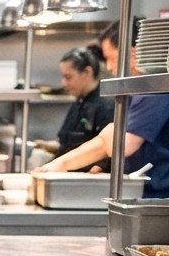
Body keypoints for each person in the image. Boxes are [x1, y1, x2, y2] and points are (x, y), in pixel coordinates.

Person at [41, 19, 169, 197]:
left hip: (158, 197)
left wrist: (62, 164)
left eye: (111, 58)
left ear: (133, 53)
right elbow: (110, 138)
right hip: (141, 193)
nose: (108, 67)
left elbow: (122, 142)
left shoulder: (153, 89)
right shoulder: (139, 90)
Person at [35, 47, 114, 167]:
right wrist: (47, 146)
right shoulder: (78, 103)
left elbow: (105, 152)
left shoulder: (106, 106)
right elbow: (67, 144)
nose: (64, 84)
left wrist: (98, 168)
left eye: (68, 77)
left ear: (87, 72)